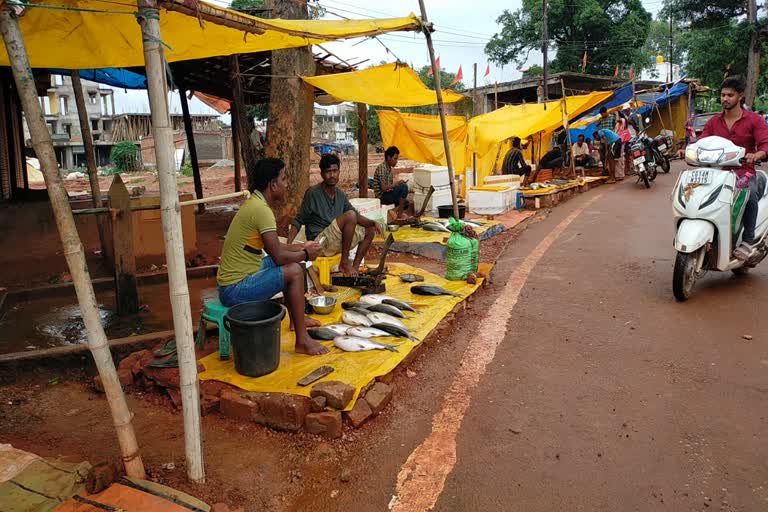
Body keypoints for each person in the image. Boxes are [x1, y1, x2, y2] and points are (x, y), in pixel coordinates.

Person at [217, 158, 328, 355]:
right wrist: (305, 253)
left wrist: (303, 247)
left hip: (241, 276)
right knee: (294, 270)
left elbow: (276, 248)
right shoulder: (261, 211)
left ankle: (297, 321)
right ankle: (302, 341)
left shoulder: (255, 204)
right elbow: (278, 257)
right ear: (273, 184)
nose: (286, 184)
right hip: (234, 288)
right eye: (284, 179)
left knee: (298, 263)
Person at [690, 76, 768, 260]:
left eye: (730, 95)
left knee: (748, 195)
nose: (725, 99)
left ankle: (748, 240)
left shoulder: (754, 120)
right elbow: (702, 141)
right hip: (717, 172)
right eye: (723, 95)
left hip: (744, 172)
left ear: (740, 96)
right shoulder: (714, 122)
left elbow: (765, 144)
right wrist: (689, 149)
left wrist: (757, 154)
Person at [288, 153, 381, 276]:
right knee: (350, 216)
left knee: (369, 229)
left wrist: (373, 223)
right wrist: (288, 247)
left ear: (339, 172)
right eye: (328, 171)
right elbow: (298, 220)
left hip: (336, 240)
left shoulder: (340, 195)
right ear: (322, 174)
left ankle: (355, 267)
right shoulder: (312, 193)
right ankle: (344, 262)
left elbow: (357, 217)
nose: (332, 175)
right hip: (320, 242)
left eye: (335, 171)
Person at [373, 146, 409, 220]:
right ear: (389, 157)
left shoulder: (388, 168)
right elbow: (383, 188)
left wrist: (395, 186)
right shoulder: (382, 168)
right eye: (395, 159)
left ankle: (394, 211)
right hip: (381, 197)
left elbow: (389, 187)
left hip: (387, 194)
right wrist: (397, 184)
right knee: (404, 187)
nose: (396, 161)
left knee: (406, 203)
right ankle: (399, 215)